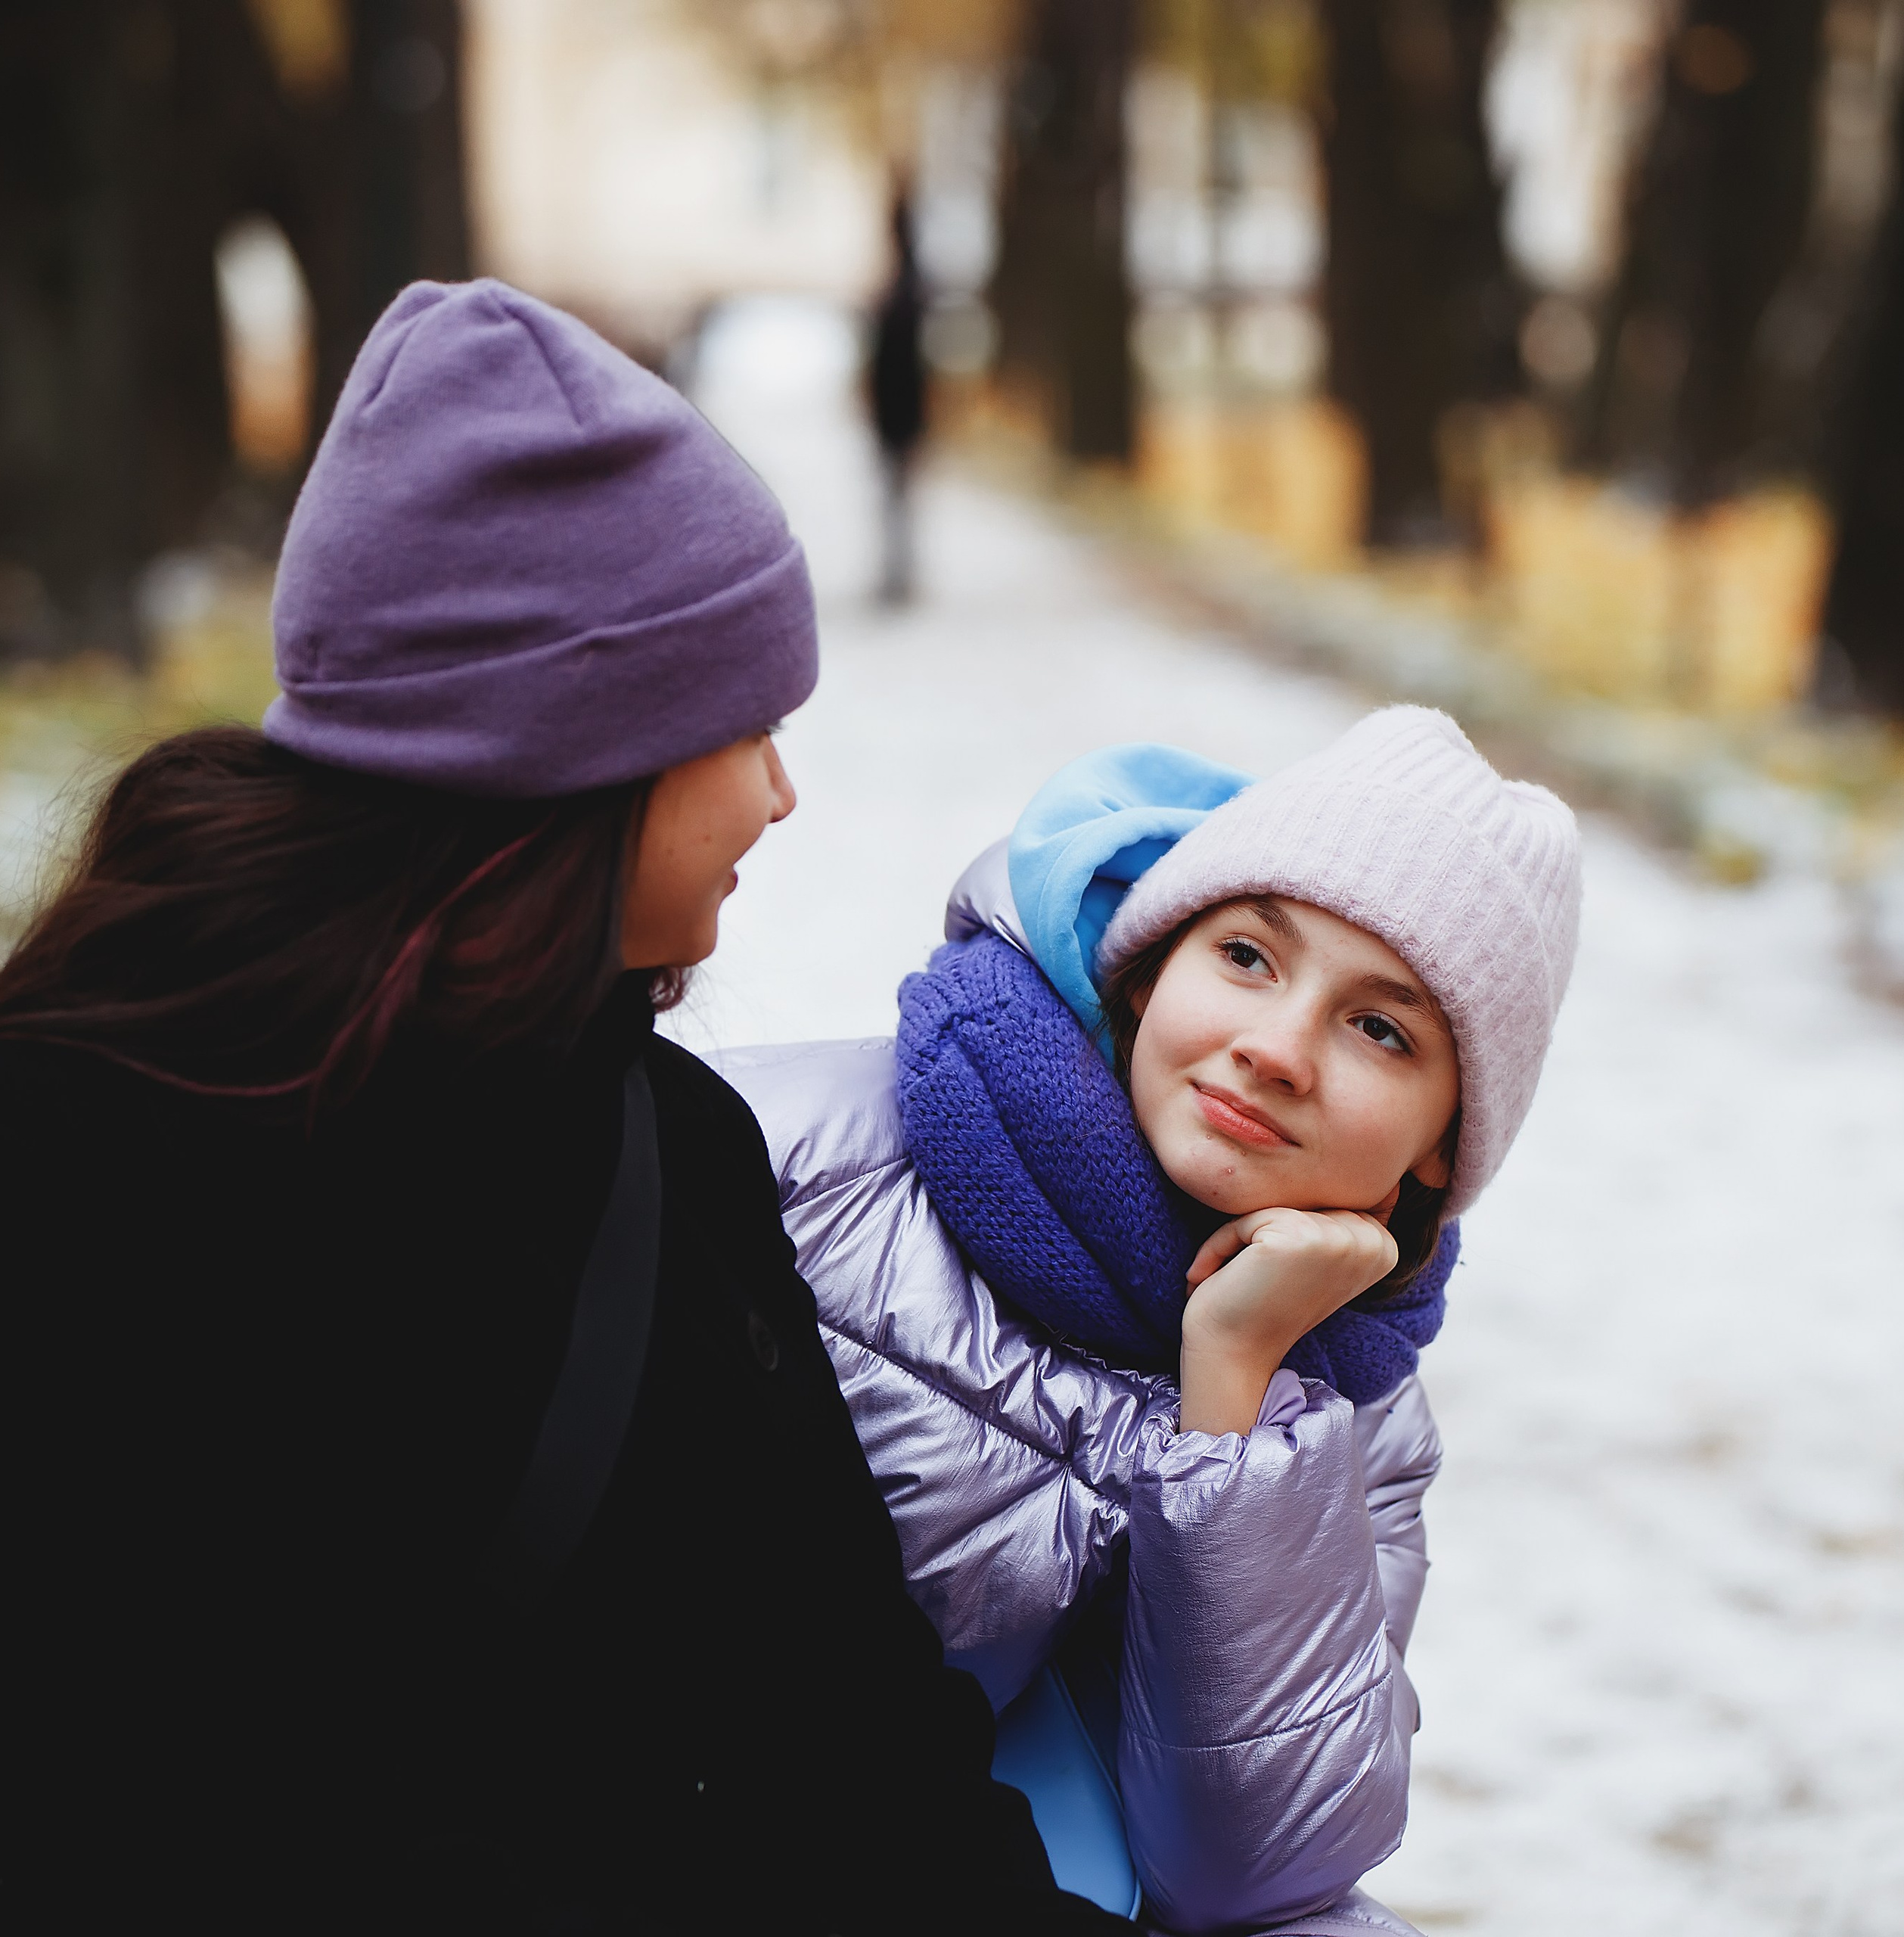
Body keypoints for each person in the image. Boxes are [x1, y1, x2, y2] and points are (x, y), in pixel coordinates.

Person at [0, 280, 1133, 1937]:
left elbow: (850, 1744)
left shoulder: (669, 1153)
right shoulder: (74, 1145)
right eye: (742, 725)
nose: (779, 789)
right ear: (572, 754)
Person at [717, 710, 1583, 1932]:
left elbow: (1252, 1871)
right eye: (1247, 956)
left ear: (1442, 1145)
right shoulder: (799, 1165)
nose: (1277, 1050)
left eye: (1380, 1029)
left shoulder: (1357, 1401)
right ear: (1147, 960)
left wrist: (1235, 1384)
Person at [865, 188, 928, 602]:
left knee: (897, 497)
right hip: (901, 411)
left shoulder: (900, 294)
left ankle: (900, 576)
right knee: (898, 497)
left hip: (898, 412)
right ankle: (899, 574)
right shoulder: (913, 290)